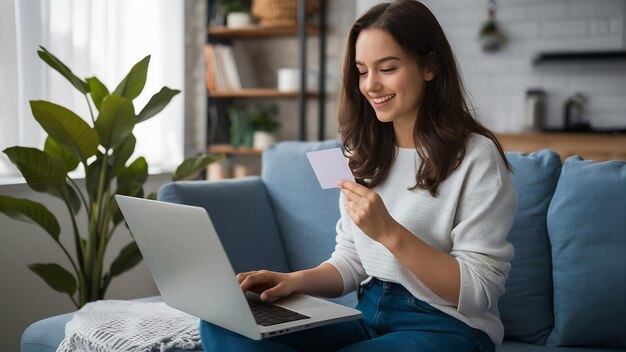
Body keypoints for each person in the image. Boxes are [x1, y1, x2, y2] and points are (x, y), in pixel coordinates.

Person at [200, 1, 517, 351]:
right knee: (225, 321)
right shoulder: (360, 152)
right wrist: (292, 281)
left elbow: (477, 291)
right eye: (362, 71)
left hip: (447, 328)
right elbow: (350, 261)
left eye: (388, 68)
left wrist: (389, 233)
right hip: (367, 319)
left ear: (429, 67)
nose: (371, 85)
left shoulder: (477, 156)